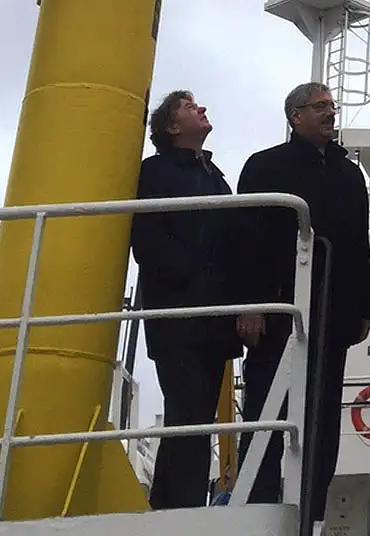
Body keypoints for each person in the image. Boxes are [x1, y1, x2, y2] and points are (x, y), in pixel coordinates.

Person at [236, 83, 370, 523]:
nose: (330, 114)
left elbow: (356, 242)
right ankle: (257, 514)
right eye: (320, 107)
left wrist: (365, 309)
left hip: (332, 316)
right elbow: (245, 242)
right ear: (294, 115)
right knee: (266, 416)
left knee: (321, 424)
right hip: (277, 315)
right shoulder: (264, 167)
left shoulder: (349, 174)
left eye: (332, 107)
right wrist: (249, 304)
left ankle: (310, 517)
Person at [130, 90, 243, 510]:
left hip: (212, 319)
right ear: (173, 127)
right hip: (178, 317)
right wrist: (196, 280)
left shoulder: (214, 175)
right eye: (190, 105)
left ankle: (188, 506)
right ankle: (173, 509)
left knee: (199, 417)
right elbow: (150, 239)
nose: (203, 108)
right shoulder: (155, 172)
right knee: (186, 414)